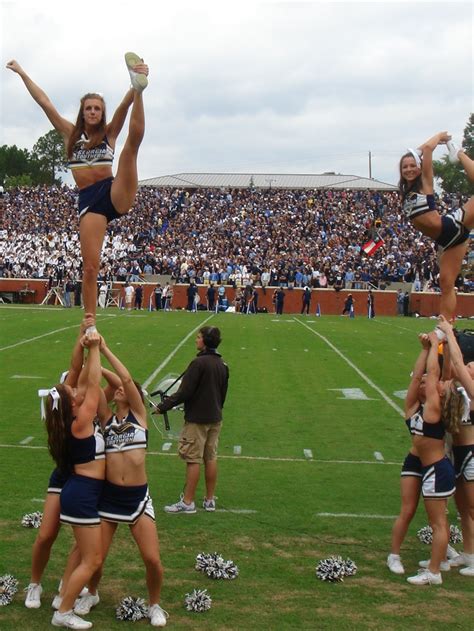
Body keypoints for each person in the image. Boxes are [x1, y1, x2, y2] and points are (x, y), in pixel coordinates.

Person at [6, 53, 149, 327]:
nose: (93, 112)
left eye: (97, 108)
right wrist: (23, 73)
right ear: (83, 112)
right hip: (91, 203)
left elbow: (123, 106)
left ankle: (141, 89)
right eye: (89, 108)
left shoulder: (109, 133)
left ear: (101, 112)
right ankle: (90, 321)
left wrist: (136, 87)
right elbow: (44, 102)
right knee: (90, 267)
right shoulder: (70, 134)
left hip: (114, 191)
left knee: (130, 150)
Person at [74, 336, 168, 627]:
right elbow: (98, 383)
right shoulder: (105, 418)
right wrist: (91, 353)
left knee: (152, 559)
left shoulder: (139, 416)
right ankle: (91, 592)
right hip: (110, 496)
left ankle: (155, 605)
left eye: (123, 391)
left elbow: (125, 379)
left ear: (132, 395)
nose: (116, 393)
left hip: (138, 499)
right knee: (96, 558)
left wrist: (103, 350)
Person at [24, 317, 93, 610]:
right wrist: (85, 340)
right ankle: (34, 584)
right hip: (67, 475)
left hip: (88, 478)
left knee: (86, 540)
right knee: (46, 533)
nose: (73, 385)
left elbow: (80, 368)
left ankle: (69, 582)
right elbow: (77, 368)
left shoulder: (77, 403)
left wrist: (82, 336)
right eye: (68, 385)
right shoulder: (67, 415)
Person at [44, 329, 105, 629]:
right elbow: (92, 383)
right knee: (92, 560)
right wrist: (94, 348)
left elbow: (76, 373)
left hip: (83, 491)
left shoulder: (66, 417)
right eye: (72, 393)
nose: (75, 389)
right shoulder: (80, 423)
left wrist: (82, 338)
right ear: (71, 405)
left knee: (83, 553)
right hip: (82, 494)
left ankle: (62, 597)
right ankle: (63, 612)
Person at [398, 132, 474, 320]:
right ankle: (445, 327)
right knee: (446, 284)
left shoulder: (425, 182)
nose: (409, 169)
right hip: (447, 241)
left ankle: (460, 155)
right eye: (404, 167)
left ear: (419, 166)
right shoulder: (406, 191)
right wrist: (414, 154)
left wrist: (439, 136)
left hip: (453, 225)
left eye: (412, 165)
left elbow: (427, 149)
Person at [157, 327, 229, 514]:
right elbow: (222, 395)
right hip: (215, 418)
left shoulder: (198, 364)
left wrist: (162, 406)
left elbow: (184, 392)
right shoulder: (223, 364)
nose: (196, 340)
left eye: (198, 337)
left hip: (197, 420)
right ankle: (209, 500)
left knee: (193, 459)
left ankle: (188, 502)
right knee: (211, 457)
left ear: (205, 341)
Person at [404, 331, 456, 585]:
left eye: (427, 382)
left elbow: (433, 375)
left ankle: (434, 572)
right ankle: (439, 562)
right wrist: (425, 350)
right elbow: (416, 378)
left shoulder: (434, 410)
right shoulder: (415, 408)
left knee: (438, 524)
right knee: (438, 522)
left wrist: (436, 344)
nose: (422, 381)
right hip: (431, 469)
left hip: (437, 469)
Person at [437, 316, 474, 576]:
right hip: (459, 452)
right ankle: (469, 553)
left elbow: (458, 365)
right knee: (463, 508)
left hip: (471, 453)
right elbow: (452, 367)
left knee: (473, 506)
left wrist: (449, 332)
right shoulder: (459, 384)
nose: (468, 367)